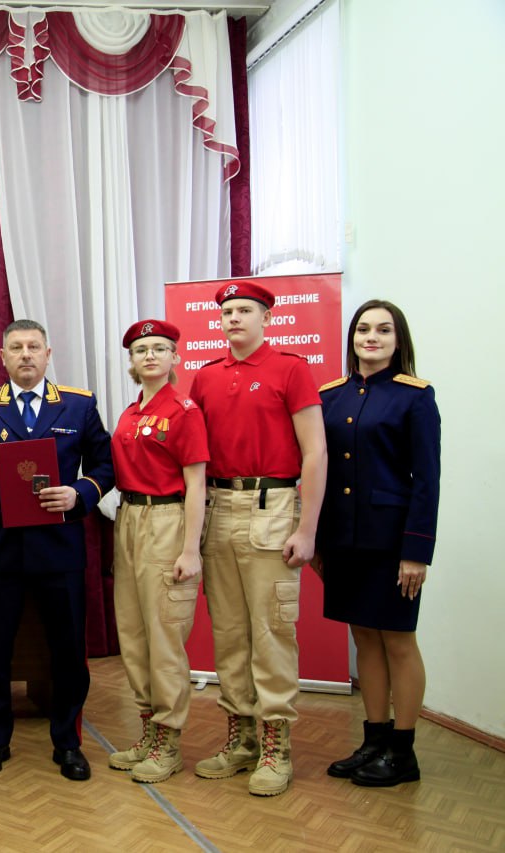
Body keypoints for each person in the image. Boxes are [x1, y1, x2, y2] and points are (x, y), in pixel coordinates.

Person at [0, 319, 114, 781]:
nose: (25, 354)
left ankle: (68, 742)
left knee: (67, 650)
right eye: (16, 347)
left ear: (48, 353)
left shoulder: (79, 406)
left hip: (60, 548)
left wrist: (80, 493)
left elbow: (105, 464)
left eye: (33, 347)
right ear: (2, 357)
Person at [189, 280, 326, 797]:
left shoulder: (290, 369)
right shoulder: (205, 378)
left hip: (273, 507)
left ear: (267, 317)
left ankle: (276, 746)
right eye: (226, 312)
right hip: (219, 509)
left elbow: (315, 452)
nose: (234, 319)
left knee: (271, 631)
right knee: (229, 632)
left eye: (245, 310)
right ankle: (241, 737)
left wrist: (307, 527)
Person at [316, 299, 439, 787]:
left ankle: (403, 752)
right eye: (363, 329)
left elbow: (426, 479)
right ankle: (374, 740)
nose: (371, 337)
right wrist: (320, 541)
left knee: (399, 640)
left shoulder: (415, 396)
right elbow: (322, 471)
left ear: (397, 339)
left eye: (383, 330)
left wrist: (416, 551)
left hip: (392, 542)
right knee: (363, 635)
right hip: (343, 538)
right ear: (352, 337)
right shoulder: (331, 395)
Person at [107, 320, 209, 784]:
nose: (150, 356)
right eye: (141, 350)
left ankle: (169, 741)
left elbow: (196, 485)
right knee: (133, 632)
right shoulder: (131, 412)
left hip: (167, 520)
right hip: (128, 518)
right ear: (131, 361)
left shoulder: (184, 410)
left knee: (165, 637)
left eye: (160, 348)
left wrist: (191, 549)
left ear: (175, 358)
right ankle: (148, 730)